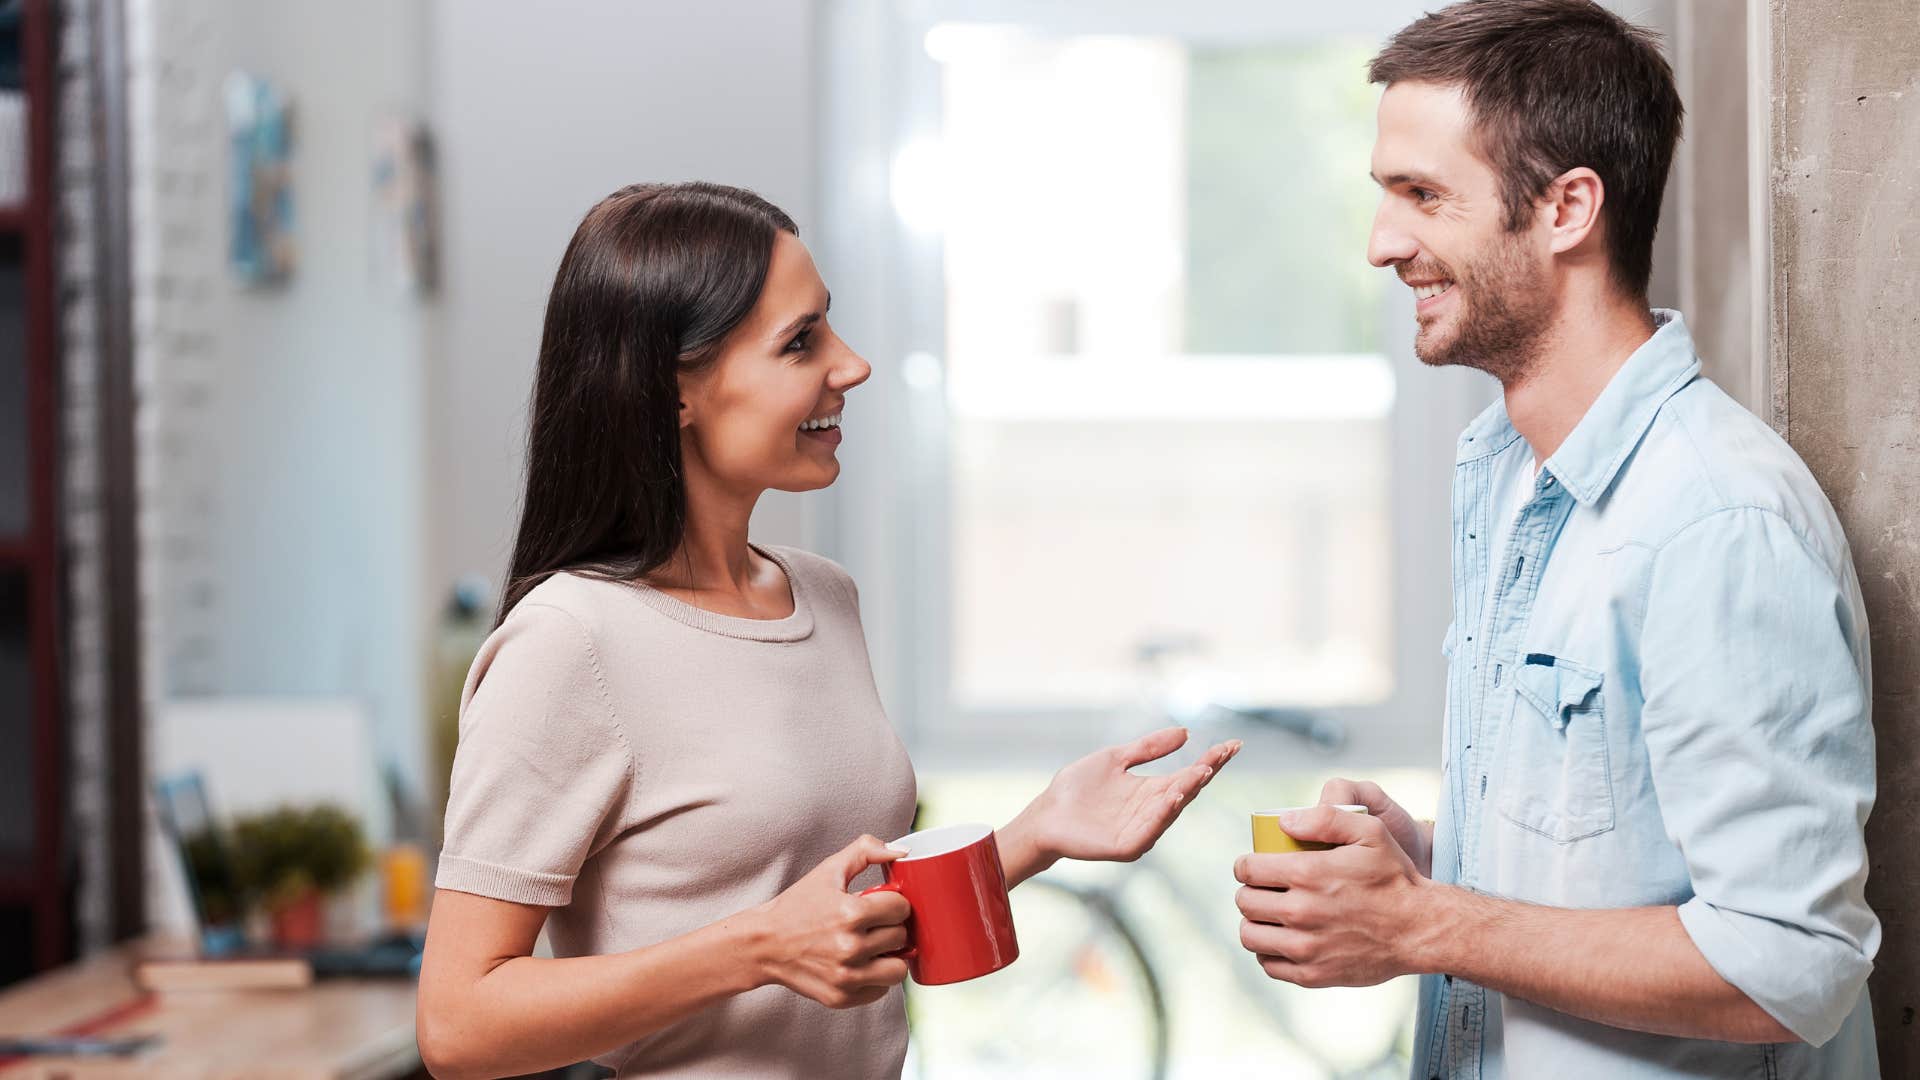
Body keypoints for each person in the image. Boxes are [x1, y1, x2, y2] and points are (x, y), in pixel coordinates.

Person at [415, 182, 1241, 1079]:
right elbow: (459, 1025)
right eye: (801, 341)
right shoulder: (571, 642)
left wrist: (1035, 833)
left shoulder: (823, 599)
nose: (851, 365)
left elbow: (841, 926)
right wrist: (759, 947)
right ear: (674, 391)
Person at [1233, 3, 1880, 1077]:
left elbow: (1791, 962)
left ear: (1568, 207)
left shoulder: (1716, 521)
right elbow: (1627, 866)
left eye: (1423, 196)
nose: (1382, 244)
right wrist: (1426, 871)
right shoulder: (1503, 471)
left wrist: (1424, 926)